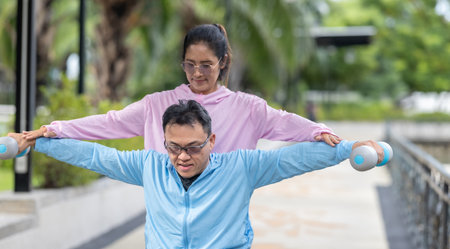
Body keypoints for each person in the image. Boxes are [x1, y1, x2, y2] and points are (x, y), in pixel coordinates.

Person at [9, 100, 383, 249]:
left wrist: (350, 149)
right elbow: (95, 157)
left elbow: (292, 158)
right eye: (174, 147)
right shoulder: (150, 166)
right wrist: (38, 141)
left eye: (192, 147)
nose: (182, 156)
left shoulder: (240, 168)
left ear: (212, 142)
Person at [19, 23, 340, 154]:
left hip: (221, 221)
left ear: (223, 62)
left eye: (206, 65)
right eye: (189, 64)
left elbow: (285, 122)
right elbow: (111, 122)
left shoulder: (248, 108)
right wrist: (55, 129)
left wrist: (318, 131)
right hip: (169, 222)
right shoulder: (158, 104)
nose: (197, 73)